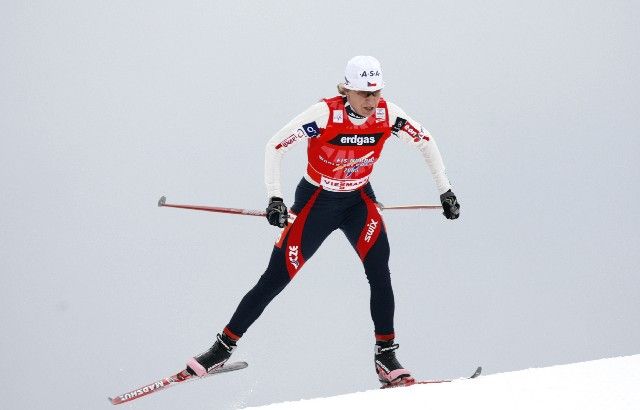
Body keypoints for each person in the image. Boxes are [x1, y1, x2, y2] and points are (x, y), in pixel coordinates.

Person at [186, 56, 460, 386]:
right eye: (363, 94)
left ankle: (386, 356)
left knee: (379, 271)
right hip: (317, 201)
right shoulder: (326, 114)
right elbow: (275, 145)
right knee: (275, 278)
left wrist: (445, 190)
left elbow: (425, 142)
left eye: (376, 93)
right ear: (345, 89)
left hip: (358, 202)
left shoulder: (389, 115)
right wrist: (275, 197)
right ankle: (221, 348)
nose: (371, 101)